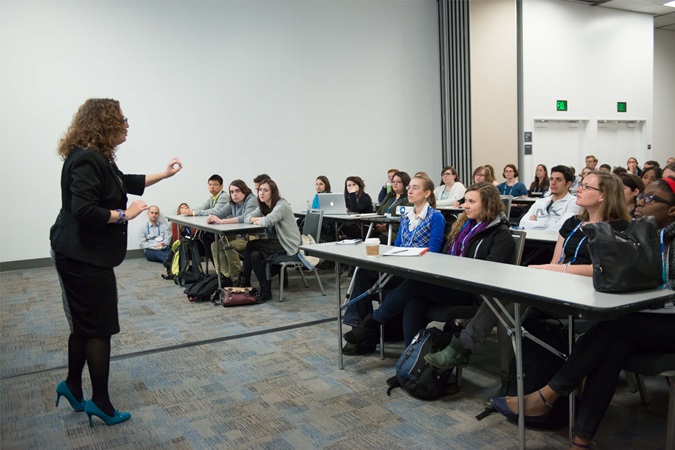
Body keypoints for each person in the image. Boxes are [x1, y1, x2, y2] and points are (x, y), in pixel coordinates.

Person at [491, 178, 675, 450]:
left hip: (666, 322)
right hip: (643, 318)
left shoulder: (650, 236)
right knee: (611, 349)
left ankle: (546, 396)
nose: (639, 203)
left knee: (614, 328)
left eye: (651, 199)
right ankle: (580, 441)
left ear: (672, 211)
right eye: (642, 197)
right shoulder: (641, 233)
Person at [425, 171, 632, 383]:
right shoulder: (572, 223)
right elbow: (556, 260)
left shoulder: (620, 229)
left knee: (506, 304)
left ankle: (470, 354)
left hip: (588, 295)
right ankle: (509, 380)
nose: (578, 189)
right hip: (557, 287)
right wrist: (548, 272)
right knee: (507, 305)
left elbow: (604, 269)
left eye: (587, 187)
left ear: (603, 195)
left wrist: (556, 271)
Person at [50, 98, 182, 427]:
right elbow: (84, 210)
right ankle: (101, 403)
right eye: (122, 119)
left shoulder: (96, 158)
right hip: (82, 257)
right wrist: (126, 213)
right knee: (100, 328)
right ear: (105, 123)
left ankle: (72, 385)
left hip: (82, 253)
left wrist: (164, 175)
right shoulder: (86, 160)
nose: (127, 124)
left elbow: (125, 181)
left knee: (84, 325)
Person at [344, 182, 514, 348]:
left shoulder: (500, 234)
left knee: (414, 284)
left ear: (488, 204)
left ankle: (371, 325)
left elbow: (491, 271)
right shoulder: (464, 226)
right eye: (465, 201)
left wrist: (454, 269)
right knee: (413, 303)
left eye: (472, 202)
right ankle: (412, 360)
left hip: (472, 291)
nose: (465, 206)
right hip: (451, 282)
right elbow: (446, 255)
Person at [342, 175, 446, 354]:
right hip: (400, 267)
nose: (409, 191)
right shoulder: (406, 217)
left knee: (391, 283)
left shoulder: (436, 217)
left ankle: (367, 333)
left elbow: (434, 251)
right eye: (409, 187)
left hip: (419, 272)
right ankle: (359, 329)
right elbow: (398, 245)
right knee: (363, 272)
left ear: (427, 193)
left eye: (415, 188)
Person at [241, 179, 301, 303]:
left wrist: (260, 219)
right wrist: (257, 219)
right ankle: (265, 290)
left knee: (251, 244)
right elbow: (247, 218)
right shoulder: (264, 205)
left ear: (273, 192)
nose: (261, 193)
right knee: (254, 255)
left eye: (265, 190)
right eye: (260, 190)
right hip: (276, 242)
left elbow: (266, 222)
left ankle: (245, 279)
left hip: (288, 244)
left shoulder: (281, 205)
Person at [207, 180, 258, 282]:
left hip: (254, 237)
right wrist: (212, 217)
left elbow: (245, 217)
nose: (234, 194)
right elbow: (219, 213)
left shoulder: (251, 200)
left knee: (229, 246)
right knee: (215, 245)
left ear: (244, 190)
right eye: (232, 192)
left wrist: (221, 221)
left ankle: (236, 278)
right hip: (240, 235)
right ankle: (225, 276)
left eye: (237, 191)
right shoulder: (232, 203)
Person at [182, 175, 229, 262]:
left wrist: (193, 213)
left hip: (226, 229)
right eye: (210, 184)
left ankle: (217, 265)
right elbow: (203, 207)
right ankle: (210, 261)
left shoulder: (224, 196)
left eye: (215, 184)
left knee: (205, 237)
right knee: (197, 236)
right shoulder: (212, 197)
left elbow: (214, 211)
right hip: (216, 227)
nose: (212, 187)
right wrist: (188, 211)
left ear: (221, 186)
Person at [519, 165, 580, 232]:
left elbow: (562, 228)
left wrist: (535, 224)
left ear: (568, 184)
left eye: (558, 180)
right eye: (551, 179)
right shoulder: (540, 202)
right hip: (532, 239)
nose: (553, 183)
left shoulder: (574, 202)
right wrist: (550, 224)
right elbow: (522, 224)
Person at [374, 171, 412, 244]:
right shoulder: (389, 196)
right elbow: (379, 211)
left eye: (398, 182)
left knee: (379, 240)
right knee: (368, 238)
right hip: (382, 229)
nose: (395, 184)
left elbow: (405, 219)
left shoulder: (408, 199)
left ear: (405, 183)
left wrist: (387, 227)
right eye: (393, 181)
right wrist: (377, 225)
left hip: (395, 232)